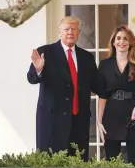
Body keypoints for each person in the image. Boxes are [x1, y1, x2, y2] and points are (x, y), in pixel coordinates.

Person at [27, 16, 98, 162]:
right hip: (52, 123)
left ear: (78, 33)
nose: (70, 32)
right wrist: (39, 69)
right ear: (60, 33)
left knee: (78, 162)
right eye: (66, 29)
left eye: (74, 29)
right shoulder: (45, 52)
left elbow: (98, 85)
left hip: (79, 123)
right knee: (51, 163)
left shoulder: (87, 57)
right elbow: (31, 78)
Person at [97, 25, 135, 167]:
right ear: (113, 42)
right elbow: (102, 95)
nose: (122, 42)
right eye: (118, 38)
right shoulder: (104, 65)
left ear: (130, 42)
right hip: (111, 116)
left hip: (134, 116)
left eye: (125, 39)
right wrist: (99, 121)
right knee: (112, 163)